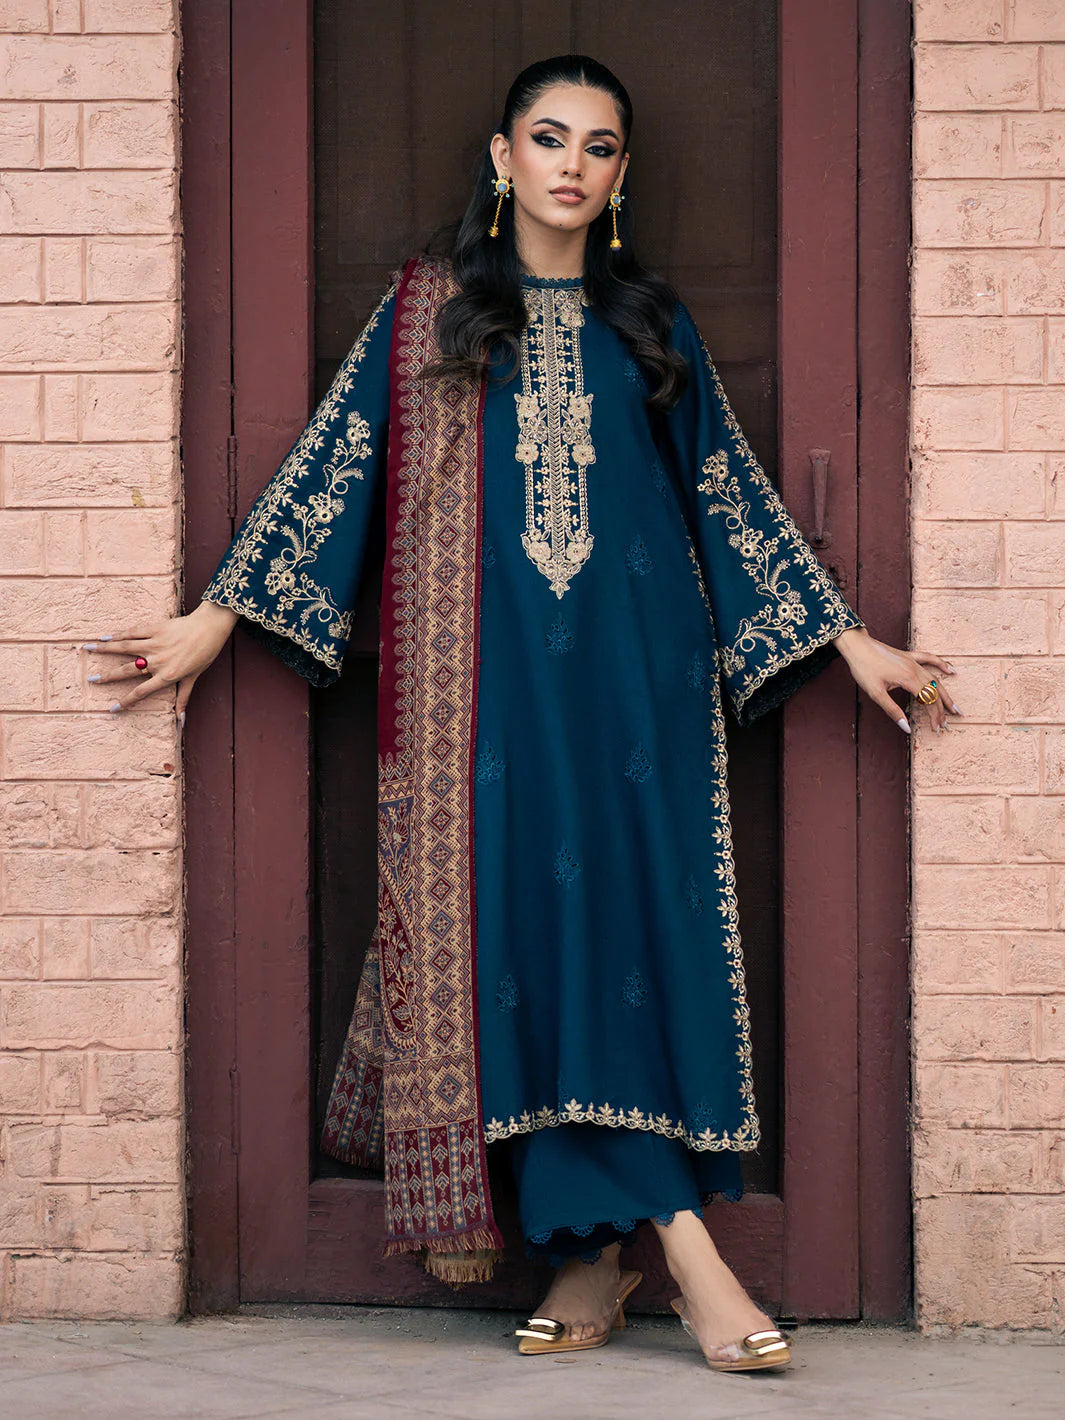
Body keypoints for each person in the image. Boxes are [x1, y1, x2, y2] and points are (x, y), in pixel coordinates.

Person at [81, 55, 957, 1374]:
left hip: (638, 697)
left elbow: (725, 489)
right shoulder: (430, 314)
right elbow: (337, 459)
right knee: (529, 949)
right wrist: (219, 616)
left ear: (621, 175)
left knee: (626, 942)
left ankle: (594, 1255)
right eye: (547, 139)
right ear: (501, 157)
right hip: (482, 700)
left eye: (598, 147)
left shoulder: (649, 322)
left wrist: (845, 639)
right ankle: (683, 1256)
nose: (570, 166)